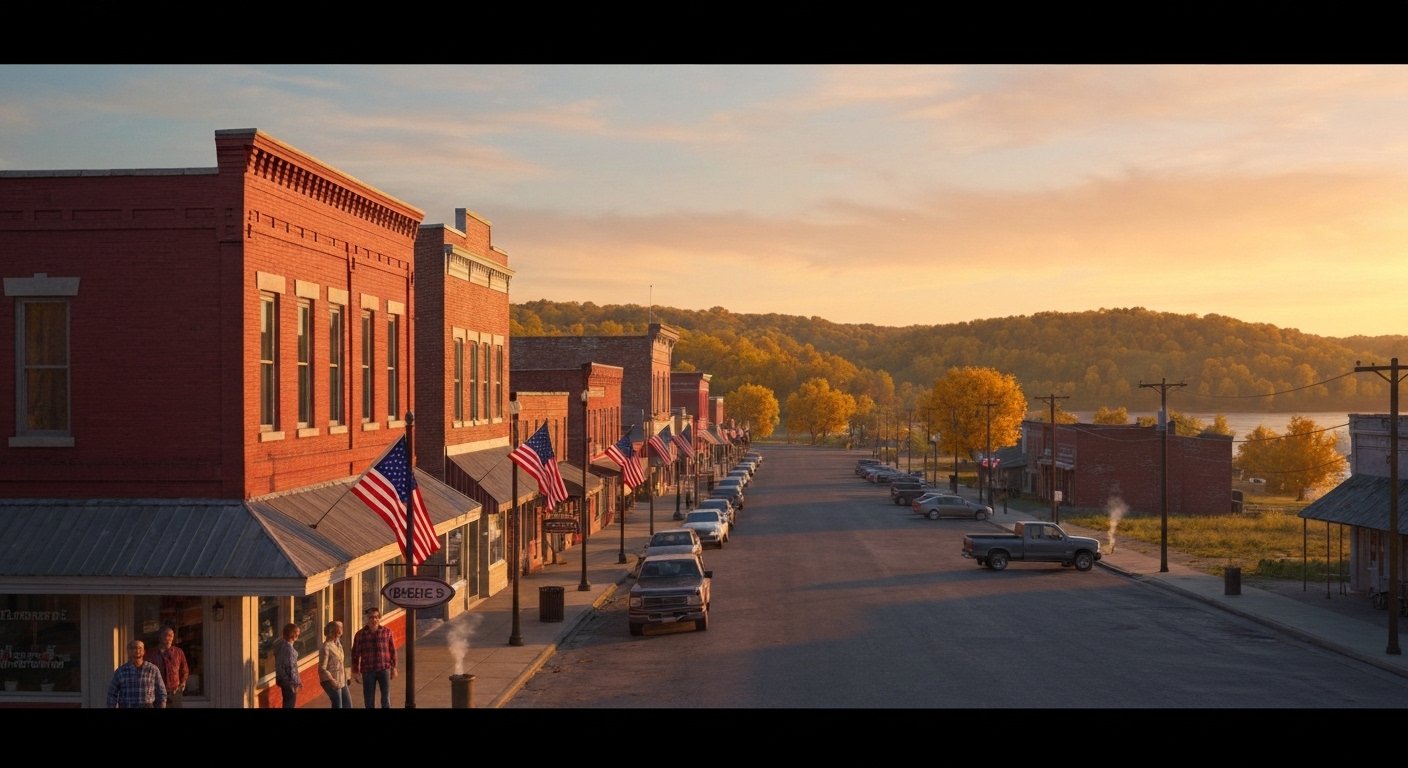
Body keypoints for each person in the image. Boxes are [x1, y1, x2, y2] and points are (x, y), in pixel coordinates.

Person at [351, 608, 397, 709]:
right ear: (366, 619)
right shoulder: (360, 635)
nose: (374, 620)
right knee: (368, 698)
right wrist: (355, 671)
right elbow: (355, 654)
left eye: (376, 617)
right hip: (368, 670)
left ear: (379, 618)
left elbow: (392, 650)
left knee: (386, 697)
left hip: (384, 669)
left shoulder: (386, 632)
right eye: (371, 617)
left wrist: (394, 668)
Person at [107, 639, 167, 708]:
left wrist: (162, 704)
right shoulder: (121, 671)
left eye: (140, 648)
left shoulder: (153, 669)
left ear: (144, 651)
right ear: (128, 651)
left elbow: (161, 692)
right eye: (133, 648)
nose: (137, 651)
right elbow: (111, 693)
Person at [145, 626, 189, 708]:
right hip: (156, 692)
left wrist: (183, 682)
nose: (169, 638)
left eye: (171, 636)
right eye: (166, 635)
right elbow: (145, 672)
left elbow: (184, 669)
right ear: (160, 637)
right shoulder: (150, 654)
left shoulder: (178, 652)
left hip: (174, 691)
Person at [318, 620, 352, 709]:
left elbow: (341, 662)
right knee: (338, 704)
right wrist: (332, 680)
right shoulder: (326, 647)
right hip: (330, 680)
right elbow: (322, 668)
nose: (341, 631)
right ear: (333, 632)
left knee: (348, 704)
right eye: (339, 629)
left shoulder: (338, 644)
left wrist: (347, 675)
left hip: (341, 679)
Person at [274, 623, 301, 708]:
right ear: (292, 634)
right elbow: (291, 668)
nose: (298, 636)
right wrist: (296, 683)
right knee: (289, 703)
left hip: (282, 679)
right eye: (296, 633)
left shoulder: (280, 645)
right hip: (289, 682)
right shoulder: (289, 650)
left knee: (287, 702)